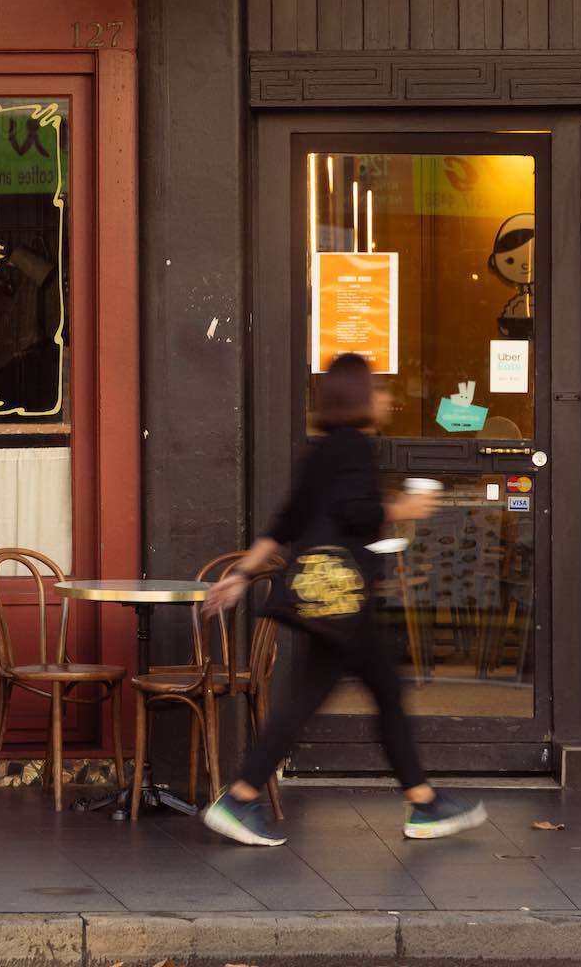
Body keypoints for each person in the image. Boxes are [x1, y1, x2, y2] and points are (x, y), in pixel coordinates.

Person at [200, 354, 488, 846]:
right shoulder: (354, 446)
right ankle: (419, 803)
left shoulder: (321, 451)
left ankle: (419, 799)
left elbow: (285, 524)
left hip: (323, 598)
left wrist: (243, 574)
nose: (388, 399)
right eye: (379, 390)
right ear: (358, 396)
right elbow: (358, 513)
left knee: (339, 696)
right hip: (344, 599)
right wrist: (405, 507)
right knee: (374, 695)